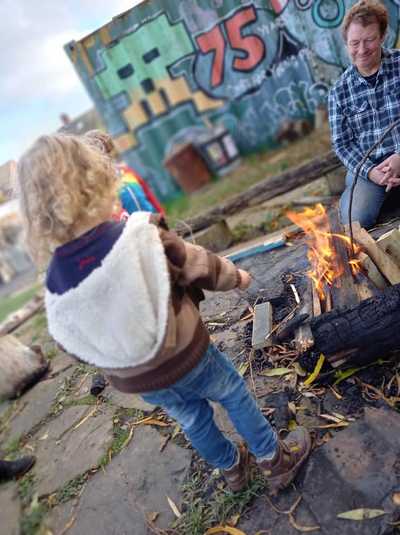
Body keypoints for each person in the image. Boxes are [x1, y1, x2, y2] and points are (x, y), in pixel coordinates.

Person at [16, 133, 311, 495]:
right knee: (231, 391)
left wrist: (112, 360)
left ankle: (232, 470)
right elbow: (196, 264)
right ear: (94, 177)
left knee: (191, 418)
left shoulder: (55, 285)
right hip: (186, 352)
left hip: (140, 379)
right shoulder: (137, 234)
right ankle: (273, 460)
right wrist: (237, 276)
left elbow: (71, 341)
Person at [328, 0, 400, 229]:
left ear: (382, 36)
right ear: (346, 44)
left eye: (369, 40)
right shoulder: (339, 91)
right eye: (354, 43)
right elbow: (342, 145)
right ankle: (385, 192)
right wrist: (372, 173)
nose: (362, 50)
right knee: (354, 222)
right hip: (371, 169)